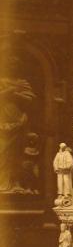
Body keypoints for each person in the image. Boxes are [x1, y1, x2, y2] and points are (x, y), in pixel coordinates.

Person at [0, 56, 36, 193]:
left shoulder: (22, 82)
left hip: (19, 121)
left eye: (15, 65)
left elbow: (30, 99)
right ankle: (3, 184)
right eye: (9, 64)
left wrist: (12, 94)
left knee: (17, 155)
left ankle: (15, 183)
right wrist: (11, 92)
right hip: (3, 124)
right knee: (2, 153)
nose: (12, 67)